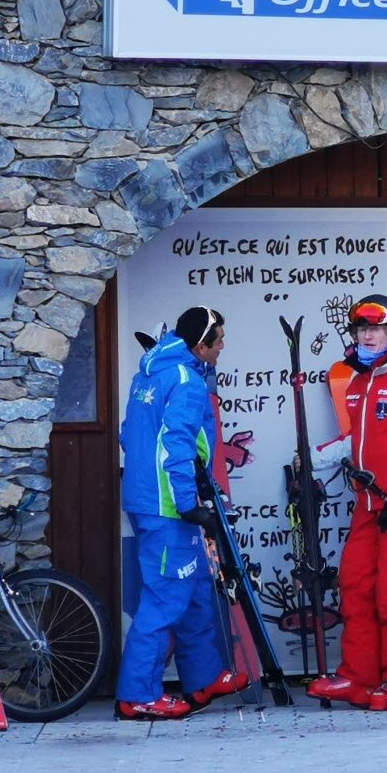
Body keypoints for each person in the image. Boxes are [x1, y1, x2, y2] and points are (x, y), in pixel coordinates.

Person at [116, 306, 251, 720]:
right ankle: (137, 695)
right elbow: (175, 446)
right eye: (219, 340)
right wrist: (189, 503)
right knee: (164, 599)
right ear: (201, 344)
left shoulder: (150, 372)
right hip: (170, 506)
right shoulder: (187, 380)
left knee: (193, 593)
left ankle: (204, 678)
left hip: (150, 500)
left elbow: (128, 434)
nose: (223, 346)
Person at [307, 294, 387, 710]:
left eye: (376, 329)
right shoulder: (359, 382)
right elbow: (358, 440)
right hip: (367, 505)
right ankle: (358, 676)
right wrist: (313, 458)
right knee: (354, 589)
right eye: (361, 330)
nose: (368, 336)